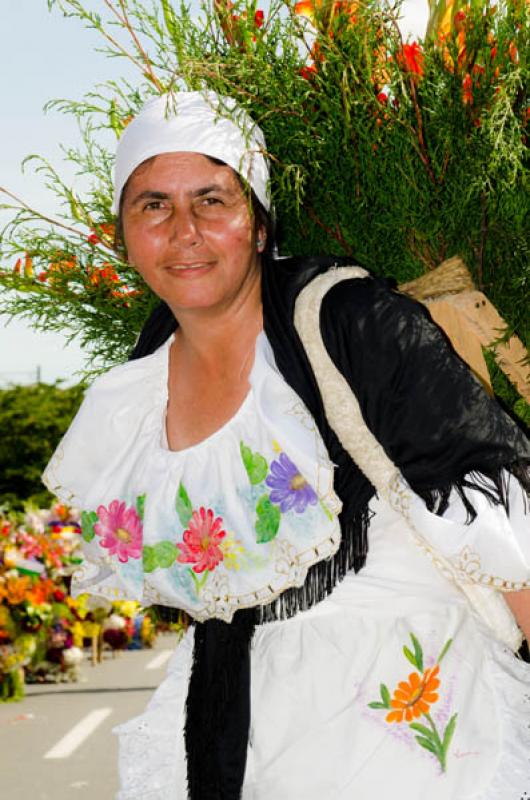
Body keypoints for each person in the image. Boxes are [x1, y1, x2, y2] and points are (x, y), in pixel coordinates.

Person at [43, 91, 530, 800]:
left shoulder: (350, 322)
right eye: (153, 205)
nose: (184, 231)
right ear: (123, 232)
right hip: (240, 725)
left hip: (413, 717)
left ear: (261, 225)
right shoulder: (134, 393)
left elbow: (496, 512)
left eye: (212, 199)